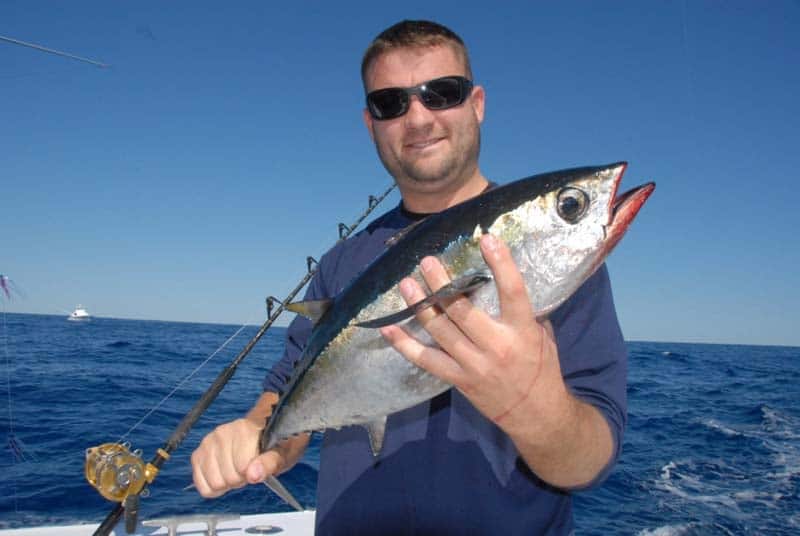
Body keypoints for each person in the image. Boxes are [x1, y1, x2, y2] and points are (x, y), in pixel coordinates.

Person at [191, 20, 627, 535]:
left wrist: (536, 409)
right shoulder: (340, 262)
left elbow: (590, 461)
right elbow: (288, 388)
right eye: (390, 103)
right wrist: (255, 436)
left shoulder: (563, 270)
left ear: (478, 103)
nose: (418, 118)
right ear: (370, 122)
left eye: (442, 93)